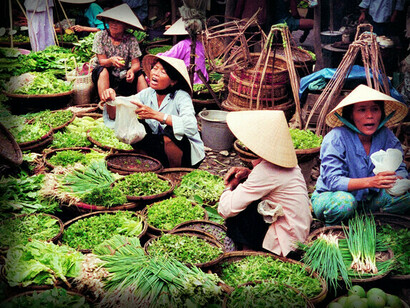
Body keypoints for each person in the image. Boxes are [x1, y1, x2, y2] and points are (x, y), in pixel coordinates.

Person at [312, 84, 410, 226]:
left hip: (367, 202)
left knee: (405, 199)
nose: (369, 116)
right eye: (362, 110)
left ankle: (367, 222)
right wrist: (371, 181)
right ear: (351, 114)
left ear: (381, 113)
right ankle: (335, 229)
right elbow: (333, 181)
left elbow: (399, 166)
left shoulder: (386, 135)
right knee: (345, 203)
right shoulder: (336, 137)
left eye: (375, 109)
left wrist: (398, 178)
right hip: (333, 198)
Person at [217, 110, 312, 257]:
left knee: (239, 211)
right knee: (248, 197)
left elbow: (226, 209)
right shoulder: (289, 164)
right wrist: (249, 174)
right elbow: (271, 182)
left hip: (287, 244)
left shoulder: (267, 171)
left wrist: (230, 186)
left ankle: (246, 253)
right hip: (297, 232)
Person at [100, 54, 205, 168]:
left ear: (173, 81)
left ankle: (175, 172)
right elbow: (118, 111)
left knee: (171, 132)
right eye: (155, 68)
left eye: (163, 72)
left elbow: (191, 126)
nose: (155, 73)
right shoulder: (148, 93)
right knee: (137, 127)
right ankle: (151, 164)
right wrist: (111, 100)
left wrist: (156, 115)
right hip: (160, 149)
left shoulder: (181, 96)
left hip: (186, 155)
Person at [91, 3, 147, 102]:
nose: (114, 24)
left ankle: (145, 104)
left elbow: (136, 63)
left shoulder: (131, 39)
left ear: (125, 25)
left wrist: (132, 71)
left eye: (118, 22)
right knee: (103, 70)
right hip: (104, 72)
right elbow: (102, 61)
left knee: (139, 74)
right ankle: (104, 104)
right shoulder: (100, 36)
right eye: (112, 21)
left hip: (123, 74)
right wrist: (111, 60)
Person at [157, 18, 209, 85]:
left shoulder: (183, 44)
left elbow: (167, 57)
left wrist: (157, 55)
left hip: (192, 80)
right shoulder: (199, 44)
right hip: (203, 79)